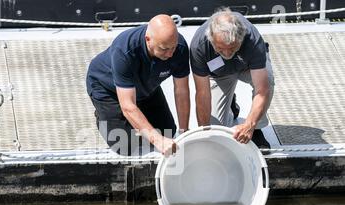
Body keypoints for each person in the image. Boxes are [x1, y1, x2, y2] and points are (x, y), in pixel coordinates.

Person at [86, 14, 190, 156]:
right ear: (148, 40)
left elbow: (182, 91)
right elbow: (128, 106)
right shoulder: (125, 50)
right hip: (108, 88)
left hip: (145, 86)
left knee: (168, 132)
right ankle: (104, 115)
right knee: (124, 143)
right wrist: (157, 140)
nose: (171, 54)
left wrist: (184, 132)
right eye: (164, 49)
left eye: (173, 47)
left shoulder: (179, 48)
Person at [190, 8, 274, 148]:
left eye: (232, 48)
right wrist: (204, 135)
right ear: (211, 38)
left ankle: (257, 129)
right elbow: (202, 94)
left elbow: (262, 90)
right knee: (215, 130)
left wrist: (250, 125)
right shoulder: (199, 46)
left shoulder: (253, 39)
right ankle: (231, 106)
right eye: (220, 49)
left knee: (268, 81)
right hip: (220, 73)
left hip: (247, 68)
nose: (227, 53)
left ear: (241, 38)